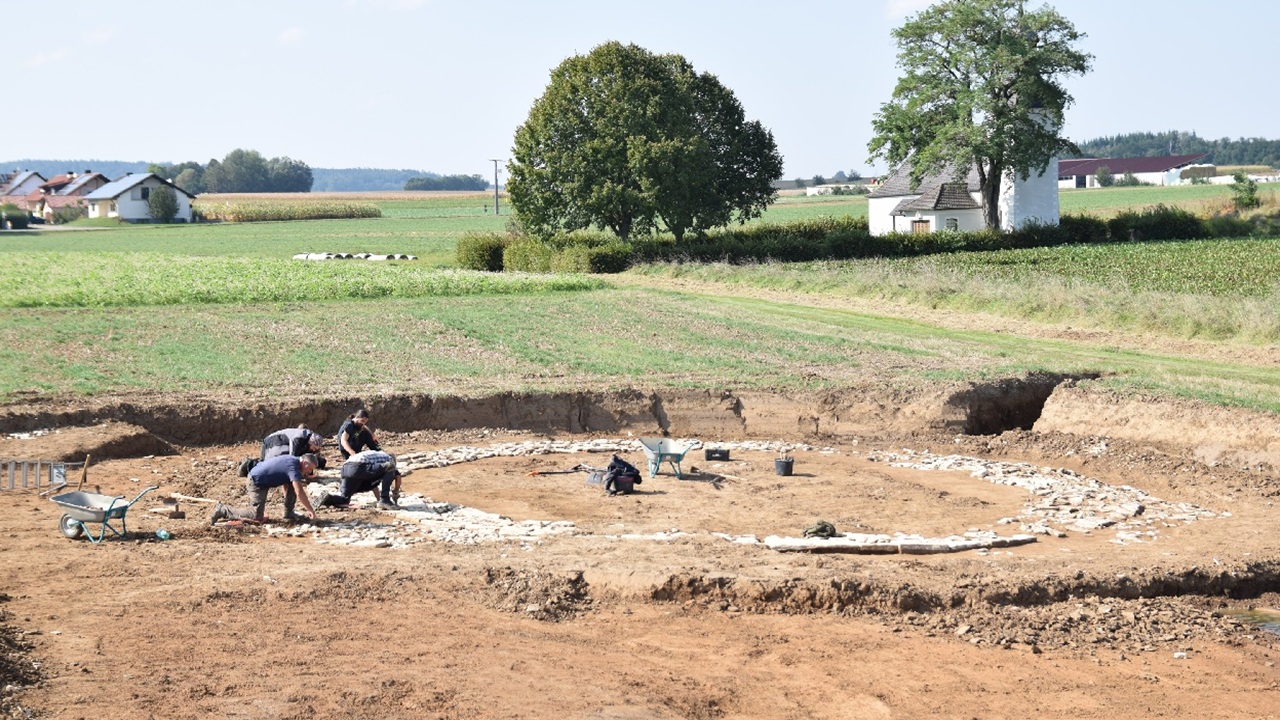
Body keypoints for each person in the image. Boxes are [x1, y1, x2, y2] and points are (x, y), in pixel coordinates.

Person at [212, 453, 321, 524]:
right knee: (256, 516)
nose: (309, 472)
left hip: (262, 478)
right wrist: (310, 510)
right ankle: (223, 509)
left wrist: (288, 505)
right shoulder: (293, 467)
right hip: (256, 482)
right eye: (309, 469)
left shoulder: (294, 461)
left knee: (293, 483)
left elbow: (287, 484)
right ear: (304, 463)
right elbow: (299, 492)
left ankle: (289, 513)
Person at [316, 450, 402, 511]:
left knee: (344, 499)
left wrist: (378, 499)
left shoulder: (376, 459)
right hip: (358, 466)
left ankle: (328, 498)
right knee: (390, 467)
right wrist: (396, 491)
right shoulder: (388, 458)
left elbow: (373, 484)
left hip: (346, 469)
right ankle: (385, 500)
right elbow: (397, 476)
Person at [237, 426, 326, 476]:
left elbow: (308, 457)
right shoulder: (298, 439)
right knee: (269, 465)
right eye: (313, 447)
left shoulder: (307, 439)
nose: (314, 450)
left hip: (281, 442)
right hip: (273, 443)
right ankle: (248, 465)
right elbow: (293, 459)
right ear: (310, 442)